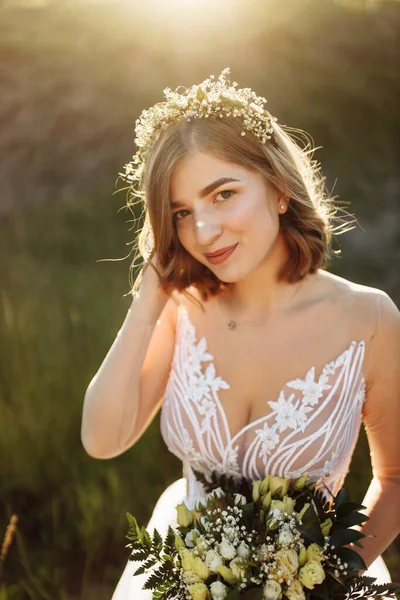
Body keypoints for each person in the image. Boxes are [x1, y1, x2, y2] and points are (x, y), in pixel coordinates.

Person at [80, 69, 400, 599]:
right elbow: (102, 439)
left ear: (278, 188)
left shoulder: (369, 321)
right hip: (186, 583)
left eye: (223, 194)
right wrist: (148, 300)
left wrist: (324, 581)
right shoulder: (182, 307)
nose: (203, 232)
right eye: (182, 213)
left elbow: (395, 481)